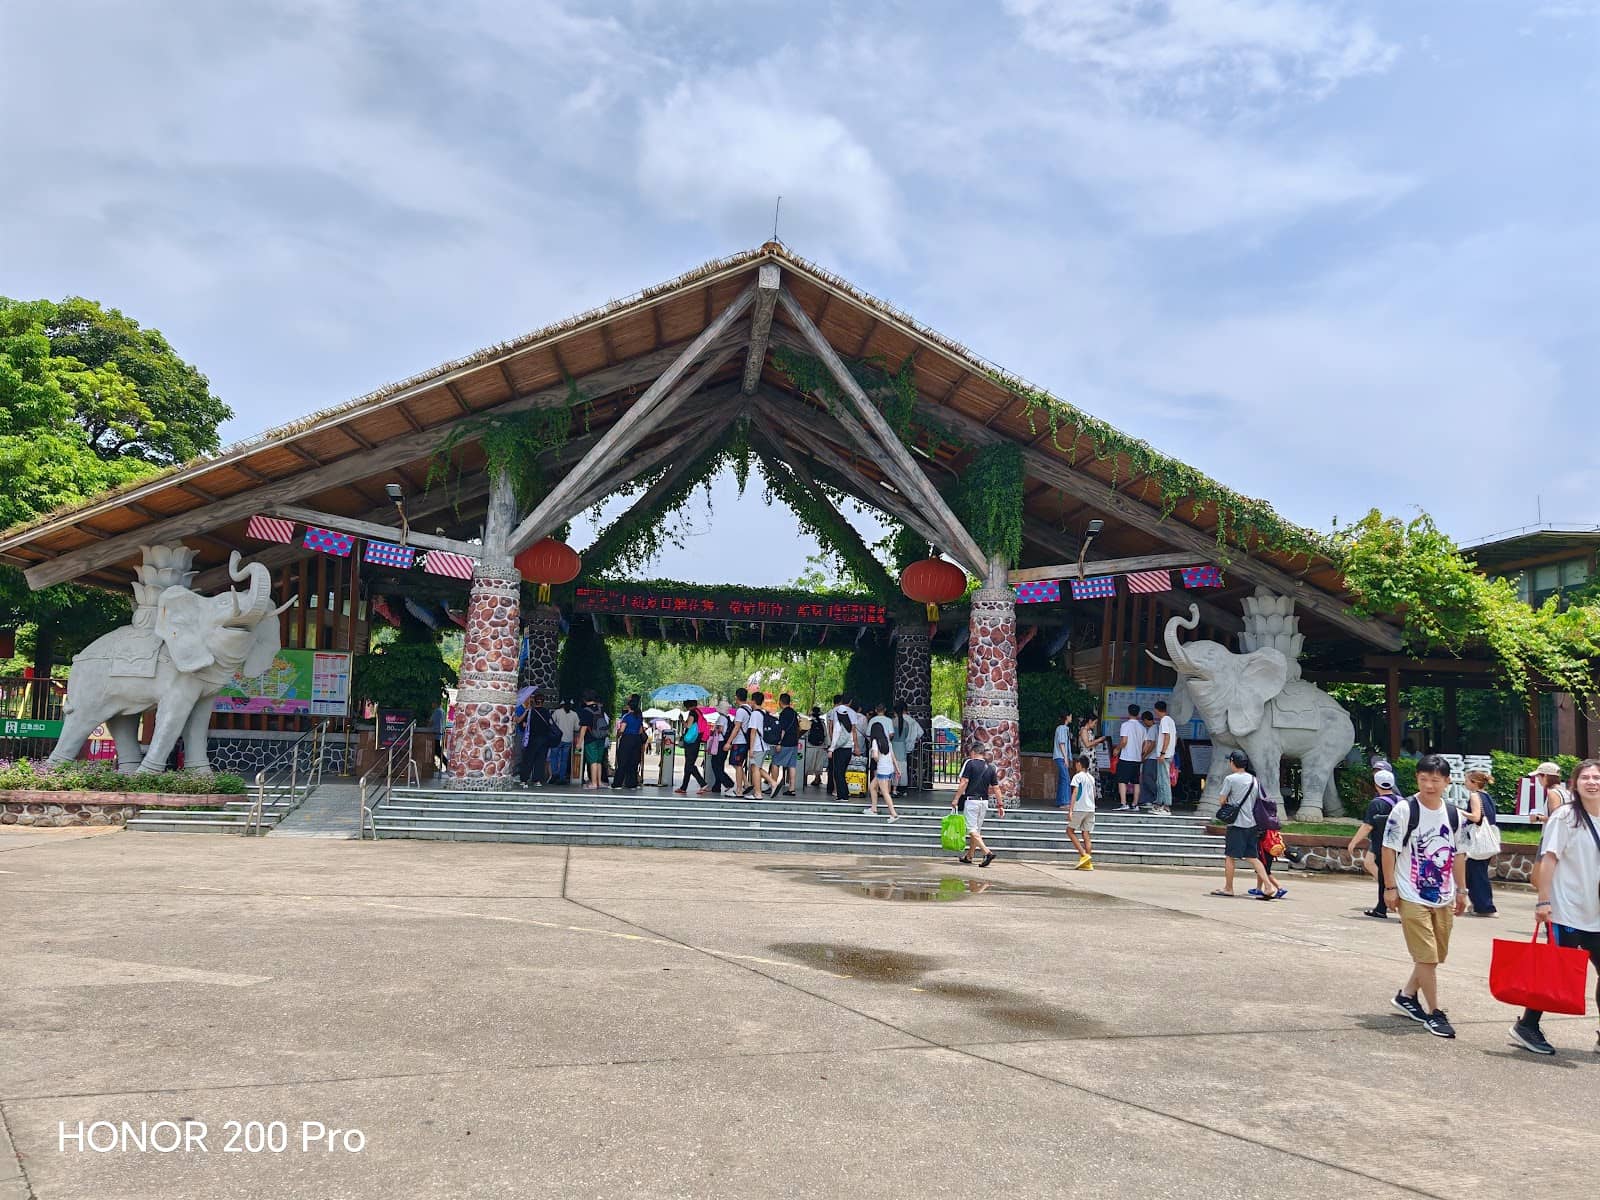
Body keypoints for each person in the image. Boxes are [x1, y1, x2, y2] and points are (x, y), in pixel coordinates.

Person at [1508, 758, 1600, 1057]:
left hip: (1596, 912)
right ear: (1574, 784)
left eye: (1597, 777)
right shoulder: (1565, 817)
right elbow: (1549, 860)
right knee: (1555, 973)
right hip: (1567, 910)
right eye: (1585, 777)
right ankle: (1527, 1025)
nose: (1592, 782)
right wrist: (1544, 900)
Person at [1382, 753, 1469, 1040]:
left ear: (1446, 781)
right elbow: (1388, 848)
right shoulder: (1405, 810)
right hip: (1410, 893)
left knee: (1435, 955)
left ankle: (1407, 995)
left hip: (1443, 895)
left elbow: (1458, 854)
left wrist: (1461, 890)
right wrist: (1390, 887)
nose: (1429, 785)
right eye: (1423, 779)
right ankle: (1434, 1013)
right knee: (1427, 957)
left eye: (1435, 780)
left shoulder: (1454, 814)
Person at [1210, 750, 1276, 900]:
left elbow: (1222, 800)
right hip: (1251, 823)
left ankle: (1228, 888)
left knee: (1230, 856)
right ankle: (1268, 886)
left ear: (1232, 762)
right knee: (1253, 857)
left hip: (1237, 824)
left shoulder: (1230, 779)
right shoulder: (1254, 780)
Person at [1348, 768, 1403, 919]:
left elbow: (1368, 826)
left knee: (1385, 877)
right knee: (1398, 876)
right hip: (1402, 846)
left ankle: (1384, 909)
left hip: (1383, 846)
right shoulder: (1402, 801)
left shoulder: (1376, 803)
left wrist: (1353, 842)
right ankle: (1382, 908)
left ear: (1376, 785)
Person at [951, 744, 1000, 867]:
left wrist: (956, 798)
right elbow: (996, 788)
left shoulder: (969, 763)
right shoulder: (990, 767)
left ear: (973, 752)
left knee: (970, 829)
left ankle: (987, 852)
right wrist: (1000, 804)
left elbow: (964, 782)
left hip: (972, 800)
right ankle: (969, 856)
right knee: (976, 830)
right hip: (984, 802)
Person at [1463, 768, 1498, 916]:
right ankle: (1479, 905)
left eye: (1466, 780)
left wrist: (1460, 812)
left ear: (1474, 783)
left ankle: (1485, 907)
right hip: (1488, 838)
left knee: (1475, 873)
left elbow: (1476, 817)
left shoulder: (1475, 796)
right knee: (1478, 872)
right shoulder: (1486, 796)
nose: (1465, 783)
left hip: (1478, 839)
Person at [865, 701, 901, 820]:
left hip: (882, 769)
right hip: (889, 767)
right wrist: (897, 769)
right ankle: (873, 808)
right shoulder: (887, 741)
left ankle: (893, 814)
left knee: (885, 792)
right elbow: (893, 756)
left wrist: (874, 754)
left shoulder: (875, 742)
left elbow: (875, 757)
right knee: (872, 786)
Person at [1067, 753, 1096, 870]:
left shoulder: (1077, 777)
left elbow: (1075, 792)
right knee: (1086, 834)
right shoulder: (1091, 778)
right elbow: (1093, 794)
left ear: (1079, 764)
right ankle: (1088, 862)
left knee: (1069, 831)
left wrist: (1070, 809)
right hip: (1090, 808)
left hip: (1080, 808)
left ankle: (1083, 854)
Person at [827, 693, 857, 804]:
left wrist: (831, 748)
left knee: (838, 772)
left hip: (839, 748)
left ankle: (843, 795)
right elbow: (854, 733)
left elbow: (834, 734)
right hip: (848, 748)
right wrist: (856, 747)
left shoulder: (837, 718)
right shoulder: (851, 719)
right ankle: (843, 794)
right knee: (842, 771)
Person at [769, 693, 801, 796]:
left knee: (775, 763)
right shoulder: (794, 713)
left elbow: (782, 729)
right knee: (792, 765)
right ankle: (792, 788)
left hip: (785, 743)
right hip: (794, 742)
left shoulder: (783, 714)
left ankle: (773, 786)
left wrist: (779, 742)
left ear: (780, 702)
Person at [674, 704, 709, 795]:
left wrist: (681, 720)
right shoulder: (699, 712)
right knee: (688, 766)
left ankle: (703, 783)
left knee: (689, 765)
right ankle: (684, 787)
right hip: (696, 741)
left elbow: (688, 726)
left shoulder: (693, 713)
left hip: (691, 743)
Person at [890, 700, 923, 797]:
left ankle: (893, 788)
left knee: (893, 767)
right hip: (905, 748)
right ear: (906, 709)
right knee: (903, 768)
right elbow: (920, 733)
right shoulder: (911, 722)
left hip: (894, 747)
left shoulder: (892, 721)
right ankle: (903, 788)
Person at [612, 696, 646, 789]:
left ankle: (617, 783)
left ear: (629, 707)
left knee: (622, 761)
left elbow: (622, 730)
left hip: (627, 739)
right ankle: (632, 783)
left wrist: (618, 733)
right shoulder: (639, 717)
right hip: (636, 740)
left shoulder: (626, 717)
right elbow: (640, 731)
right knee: (633, 762)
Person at [1150, 700, 1178, 815]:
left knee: (1164, 780)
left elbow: (1167, 736)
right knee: (1161, 780)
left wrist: (1162, 753)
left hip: (1164, 755)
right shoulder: (1170, 720)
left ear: (1156, 710)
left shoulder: (1164, 720)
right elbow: (1175, 737)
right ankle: (1159, 804)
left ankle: (1166, 806)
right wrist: (1171, 750)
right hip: (1168, 754)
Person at [1115, 703, 1144, 810]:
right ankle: (1135, 804)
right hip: (1137, 758)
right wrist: (1142, 754)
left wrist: (1117, 749)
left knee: (1122, 780)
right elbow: (1145, 744)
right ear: (1138, 713)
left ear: (1128, 712)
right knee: (1136, 782)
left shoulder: (1125, 725)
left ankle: (1124, 803)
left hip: (1126, 757)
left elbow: (1124, 741)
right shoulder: (1142, 728)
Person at [726, 688, 753, 797]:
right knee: (737, 764)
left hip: (739, 741)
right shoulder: (750, 710)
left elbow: (737, 728)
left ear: (737, 697)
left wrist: (728, 742)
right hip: (745, 741)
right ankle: (746, 784)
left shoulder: (741, 711)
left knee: (737, 765)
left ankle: (739, 790)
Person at [578, 692, 607, 790]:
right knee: (599, 761)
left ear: (585, 700)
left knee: (593, 761)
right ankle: (599, 782)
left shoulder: (586, 710)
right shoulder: (600, 708)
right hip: (601, 737)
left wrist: (579, 742)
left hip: (591, 738)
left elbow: (584, 727)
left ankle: (594, 783)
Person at [705, 703, 734, 795]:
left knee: (715, 765)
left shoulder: (721, 718)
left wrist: (714, 729)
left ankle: (728, 783)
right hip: (723, 743)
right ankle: (716, 786)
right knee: (720, 765)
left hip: (719, 743)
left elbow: (720, 729)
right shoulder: (727, 718)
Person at [550, 700, 581, 784]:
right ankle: (562, 777)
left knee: (554, 757)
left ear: (562, 704)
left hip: (557, 739)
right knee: (564, 760)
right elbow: (577, 728)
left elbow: (550, 722)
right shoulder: (574, 714)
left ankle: (554, 773)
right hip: (568, 739)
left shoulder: (557, 712)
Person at [1052, 710, 1074, 810]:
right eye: (1070, 716)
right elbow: (1062, 743)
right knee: (1066, 779)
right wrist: (1066, 758)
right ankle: (1065, 802)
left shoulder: (1064, 728)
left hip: (1061, 756)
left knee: (1062, 779)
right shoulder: (1061, 728)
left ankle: (1060, 801)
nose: (1071, 718)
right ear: (1067, 717)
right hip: (1061, 756)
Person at [803, 705, 829, 789]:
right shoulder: (822, 723)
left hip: (810, 746)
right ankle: (817, 779)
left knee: (808, 763)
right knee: (818, 764)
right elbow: (825, 734)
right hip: (820, 746)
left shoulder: (809, 722)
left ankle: (804, 780)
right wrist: (826, 745)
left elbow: (806, 734)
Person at [429, 702, 448, 771]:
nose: (432, 704)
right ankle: (444, 764)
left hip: (435, 733)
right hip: (439, 733)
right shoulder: (442, 711)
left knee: (437, 751)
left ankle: (446, 763)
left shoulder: (437, 711)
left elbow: (431, 722)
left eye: (433, 703)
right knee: (437, 750)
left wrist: (427, 725)